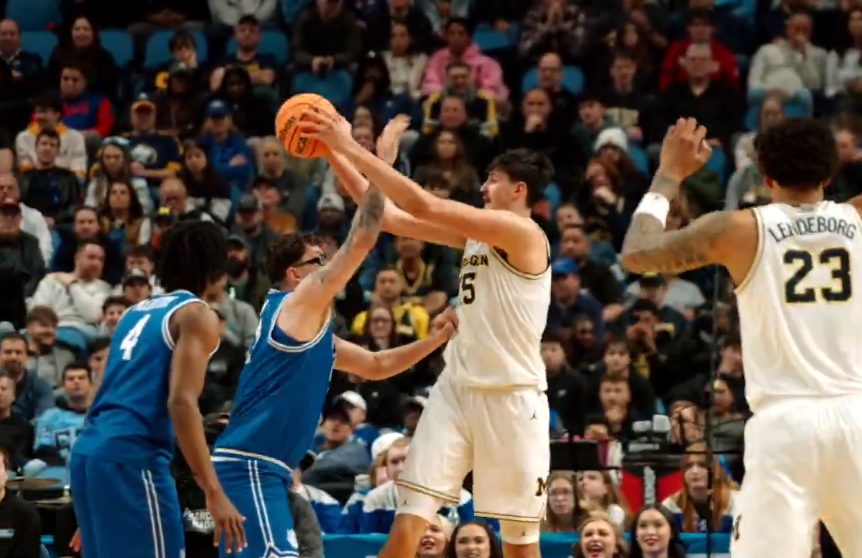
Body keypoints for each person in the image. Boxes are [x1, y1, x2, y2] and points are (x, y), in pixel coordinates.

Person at [300, 112, 553, 558]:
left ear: (519, 190)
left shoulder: (523, 231)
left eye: (492, 180)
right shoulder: (480, 233)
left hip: (512, 398)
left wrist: (364, 150)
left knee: (519, 547)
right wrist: (334, 152)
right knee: (406, 529)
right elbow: (391, 218)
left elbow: (426, 205)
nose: (482, 187)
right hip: (456, 390)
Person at [619, 116, 862, 558]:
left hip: (784, 426)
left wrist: (668, 175)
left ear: (764, 176)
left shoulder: (738, 229)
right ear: (830, 174)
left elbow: (636, 253)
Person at [212, 181, 459, 558]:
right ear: (296, 275)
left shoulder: (310, 328)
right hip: (250, 465)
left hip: (266, 469)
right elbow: (360, 241)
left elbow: (377, 365)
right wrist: (382, 167)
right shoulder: (293, 307)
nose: (328, 268)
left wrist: (436, 339)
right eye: (319, 262)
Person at [69, 221, 246, 558]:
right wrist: (212, 490)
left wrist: (101, 496)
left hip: (92, 454)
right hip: (134, 457)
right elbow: (181, 402)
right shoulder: (197, 314)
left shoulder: (134, 313)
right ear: (214, 265)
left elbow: (103, 394)